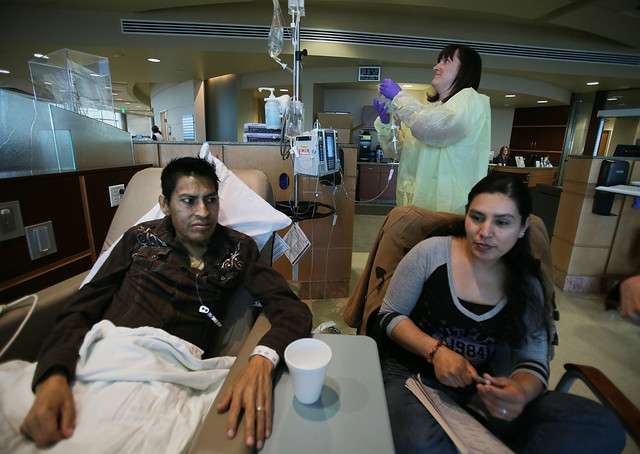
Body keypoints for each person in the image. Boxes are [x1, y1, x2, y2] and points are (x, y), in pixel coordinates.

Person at [19, 157, 312, 450]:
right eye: (188, 200)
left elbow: (290, 308)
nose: (203, 212)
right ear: (164, 203)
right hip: (108, 354)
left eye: (211, 200)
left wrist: (262, 360)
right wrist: (53, 376)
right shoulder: (138, 239)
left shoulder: (238, 249)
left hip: (172, 372)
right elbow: (81, 307)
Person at [378, 173, 625, 453]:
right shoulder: (431, 254)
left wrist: (519, 391)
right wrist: (436, 351)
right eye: (477, 217)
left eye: (502, 222)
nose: (485, 232)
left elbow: (532, 359)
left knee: (601, 426)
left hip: (483, 389)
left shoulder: (527, 283)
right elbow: (390, 315)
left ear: (523, 226)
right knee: (419, 444)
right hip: (416, 379)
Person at [373, 44, 491, 214]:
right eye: (438, 61)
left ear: (465, 70)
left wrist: (400, 97)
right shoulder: (430, 111)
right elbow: (400, 151)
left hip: (447, 210)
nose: (436, 66)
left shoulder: (471, 101)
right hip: (415, 207)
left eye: (447, 61)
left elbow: (433, 128)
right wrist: (385, 124)